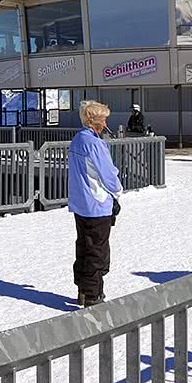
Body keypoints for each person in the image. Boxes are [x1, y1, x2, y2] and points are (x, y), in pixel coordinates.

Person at [69, 100, 124, 307]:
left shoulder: (78, 139)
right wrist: (117, 192)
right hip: (97, 203)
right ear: (96, 121)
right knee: (97, 249)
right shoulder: (94, 143)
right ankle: (93, 295)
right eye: (104, 118)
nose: (106, 122)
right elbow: (107, 173)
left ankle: (83, 289)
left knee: (83, 245)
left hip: (81, 202)